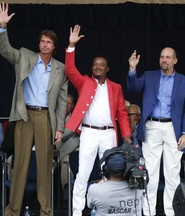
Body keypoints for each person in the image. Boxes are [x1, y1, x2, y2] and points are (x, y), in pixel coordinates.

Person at [0, 3, 68, 216]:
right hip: (25, 115)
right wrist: (2, 27)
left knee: (45, 167)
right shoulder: (26, 56)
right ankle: (12, 211)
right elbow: (5, 50)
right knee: (21, 166)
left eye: (48, 42)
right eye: (42, 41)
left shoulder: (60, 68)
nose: (44, 45)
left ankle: (46, 211)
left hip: (46, 117)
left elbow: (63, 102)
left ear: (54, 46)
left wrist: (60, 128)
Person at [65, 24, 132, 216]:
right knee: (82, 174)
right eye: (95, 64)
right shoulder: (84, 82)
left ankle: (106, 211)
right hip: (89, 132)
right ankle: (77, 212)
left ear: (107, 68)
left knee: (110, 176)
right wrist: (71, 46)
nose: (98, 67)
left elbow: (121, 113)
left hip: (109, 134)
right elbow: (70, 70)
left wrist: (126, 135)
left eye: (102, 64)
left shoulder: (116, 87)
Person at [127, 48, 185, 216]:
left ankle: (171, 213)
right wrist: (132, 69)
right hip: (152, 127)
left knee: (172, 175)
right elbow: (133, 87)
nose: (164, 60)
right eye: (162, 57)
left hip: (174, 129)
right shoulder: (150, 76)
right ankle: (148, 213)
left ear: (175, 61)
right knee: (149, 174)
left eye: (168, 57)